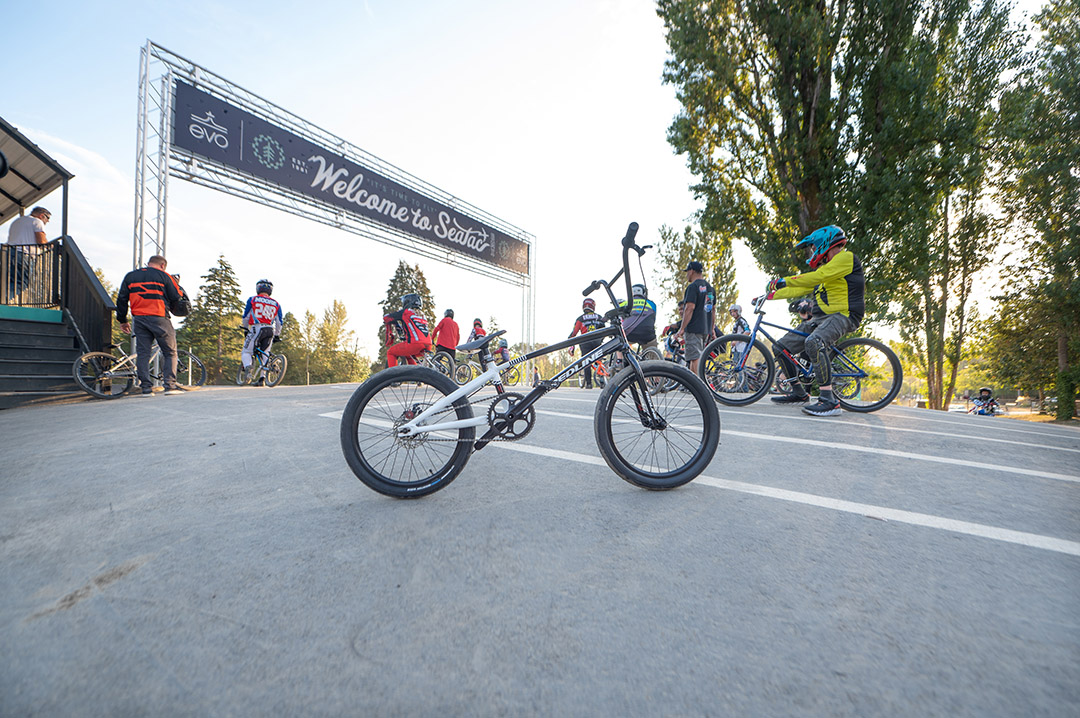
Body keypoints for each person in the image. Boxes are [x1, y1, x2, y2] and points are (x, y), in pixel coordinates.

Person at [765, 225, 864, 417]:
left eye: (813, 247)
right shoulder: (827, 268)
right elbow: (800, 289)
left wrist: (785, 279)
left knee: (814, 342)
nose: (812, 252)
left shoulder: (846, 258)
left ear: (823, 244)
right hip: (820, 319)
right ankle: (798, 392)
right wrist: (770, 295)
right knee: (780, 347)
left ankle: (829, 400)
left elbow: (817, 277)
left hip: (844, 315)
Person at [115, 255, 189, 396]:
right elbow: (176, 296)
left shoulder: (130, 276)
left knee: (143, 353)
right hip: (159, 317)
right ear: (162, 265)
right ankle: (169, 386)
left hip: (139, 319)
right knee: (170, 352)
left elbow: (122, 299)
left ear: (149, 263)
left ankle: (146, 389)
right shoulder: (164, 276)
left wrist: (123, 320)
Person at [675, 261, 716, 375]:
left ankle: (699, 385)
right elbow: (713, 309)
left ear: (691, 271)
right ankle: (696, 386)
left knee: (695, 357)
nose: (687, 275)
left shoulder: (692, 287)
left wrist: (682, 328)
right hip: (705, 328)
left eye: (687, 272)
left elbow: (689, 308)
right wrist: (712, 329)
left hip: (693, 328)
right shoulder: (710, 288)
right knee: (697, 357)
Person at [240, 279, 283, 386]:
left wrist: (246, 328)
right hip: (270, 330)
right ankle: (262, 379)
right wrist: (277, 334)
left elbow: (246, 316)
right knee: (265, 353)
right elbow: (279, 322)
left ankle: (248, 368)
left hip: (257, 328)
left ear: (258, 288)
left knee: (246, 352)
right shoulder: (276, 304)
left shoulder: (253, 299)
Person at [5, 206, 50, 300]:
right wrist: (51, 246)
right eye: (48, 218)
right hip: (21, 255)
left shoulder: (18, 221)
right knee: (21, 283)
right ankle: (3, 300)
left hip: (7, 253)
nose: (48, 221)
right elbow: (41, 241)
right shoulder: (37, 222)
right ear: (42, 215)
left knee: (6, 281)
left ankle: (3, 298)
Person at [384, 293, 432, 368]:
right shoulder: (422, 315)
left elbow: (387, 318)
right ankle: (415, 375)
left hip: (415, 344)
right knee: (408, 355)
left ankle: (393, 376)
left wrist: (392, 322)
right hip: (428, 344)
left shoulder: (405, 312)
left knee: (390, 352)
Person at [568, 297, 606, 389]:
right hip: (597, 341)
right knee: (598, 360)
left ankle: (589, 384)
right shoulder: (599, 317)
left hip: (585, 341)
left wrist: (571, 346)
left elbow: (574, 333)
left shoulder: (580, 318)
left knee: (586, 362)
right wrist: (601, 339)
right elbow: (605, 330)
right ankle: (602, 381)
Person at [620, 283, 658, 350]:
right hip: (647, 333)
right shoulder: (652, 304)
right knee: (651, 346)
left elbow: (619, 317)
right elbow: (653, 319)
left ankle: (620, 359)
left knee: (620, 343)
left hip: (628, 333)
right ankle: (653, 357)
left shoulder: (624, 303)